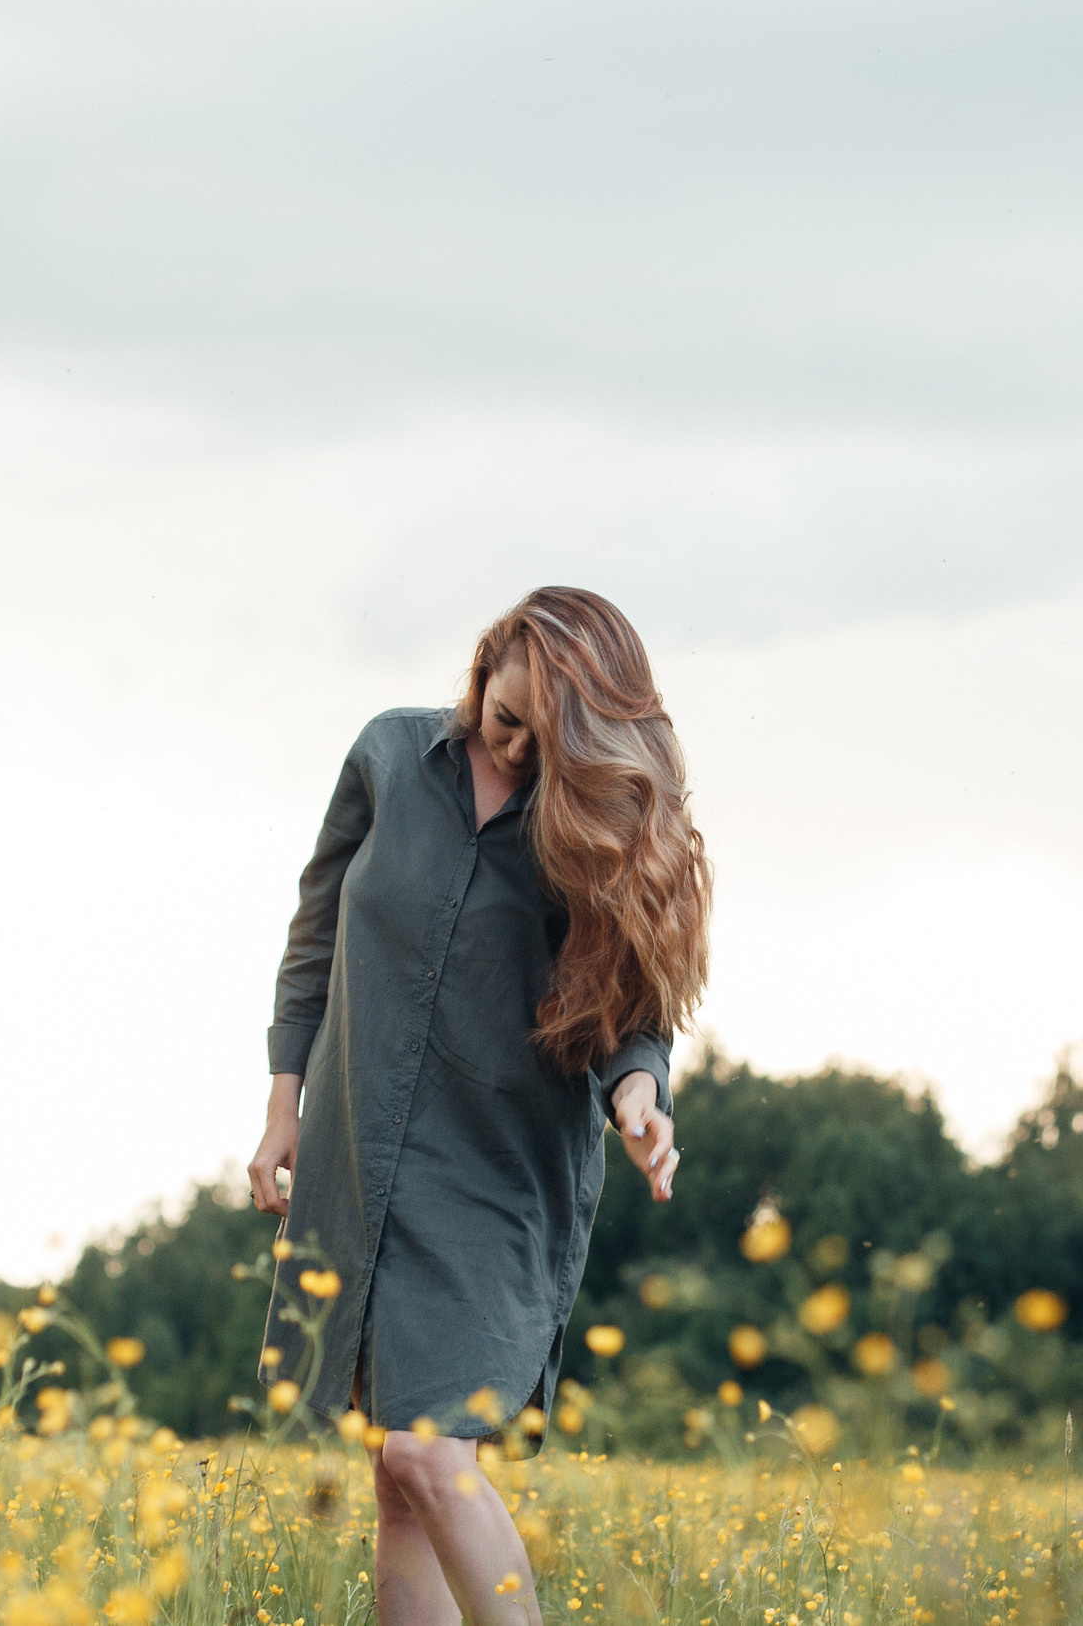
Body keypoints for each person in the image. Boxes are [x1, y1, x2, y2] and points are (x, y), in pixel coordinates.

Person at [246, 586, 712, 1626]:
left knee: (428, 1449)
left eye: (542, 743)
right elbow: (315, 936)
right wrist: (284, 1107)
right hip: (361, 1158)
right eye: (506, 721)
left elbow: (636, 1011)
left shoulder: (581, 825)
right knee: (395, 1473)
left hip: (497, 1177)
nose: (514, 749)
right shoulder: (385, 756)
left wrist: (641, 1095)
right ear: (485, 662)